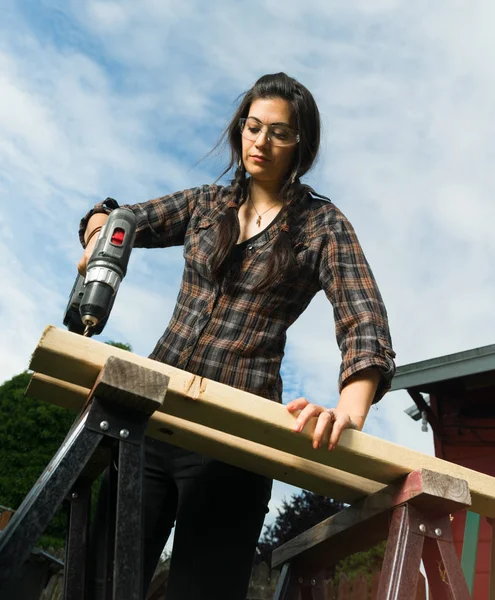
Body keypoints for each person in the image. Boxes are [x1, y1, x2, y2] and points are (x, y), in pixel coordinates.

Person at [78, 72, 395, 600]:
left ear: (302, 145)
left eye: (279, 132)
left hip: (237, 438)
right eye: (253, 127)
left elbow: (364, 319)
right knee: (101, 584)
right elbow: (125, 218)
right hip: (148, 417)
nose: (261, 142)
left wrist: (350, 410)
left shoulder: (322, 226)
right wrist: (98, 231)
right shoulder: (206, 206)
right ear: (239, 130)